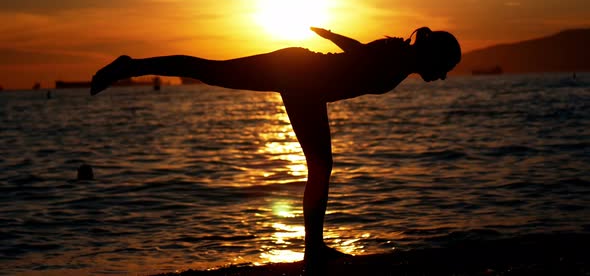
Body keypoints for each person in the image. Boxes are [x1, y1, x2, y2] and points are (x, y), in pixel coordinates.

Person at [90, 26, 461, 269]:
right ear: (435, 56)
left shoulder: (398, 58)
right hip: (299, 75)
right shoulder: (397, 58)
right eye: (446, 67)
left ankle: (314, 250)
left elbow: (359, 52)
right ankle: (131, 66)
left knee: (320, 166)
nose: (443, 76)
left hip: (306, 84)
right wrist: (334, 40)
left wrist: (333, 36)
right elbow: (363, 55)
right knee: (212, 71)